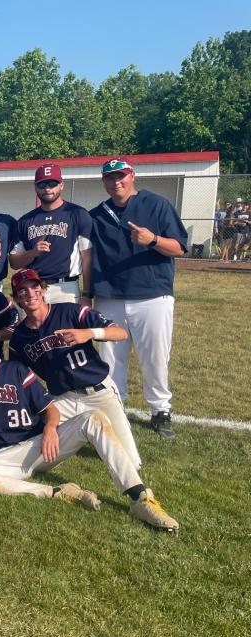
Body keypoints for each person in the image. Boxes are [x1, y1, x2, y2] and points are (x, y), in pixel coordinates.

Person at [0, 317, 179, 531]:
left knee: (93, 418)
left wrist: (50, 429)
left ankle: (139, 497)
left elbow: (49, 408)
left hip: (38, 447)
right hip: (5, 459)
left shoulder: (15, 370)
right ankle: (56, 492)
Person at [88, 159, 188, 439]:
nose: (115, 182)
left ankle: (160, 410)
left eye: (121, 176)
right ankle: (116, 408)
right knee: (110, 359)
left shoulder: (157, 205)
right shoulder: (97, 214)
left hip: (151, 295)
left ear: (132, 176)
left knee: (154, 357)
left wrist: (152, 239)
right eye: (109, 177)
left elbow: (179, 247)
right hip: (110, 296)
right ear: (104, 182)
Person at [8, 269, 141, 469]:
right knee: (31, 444)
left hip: (99, 393)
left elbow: (120, 333)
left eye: (35, 287)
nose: (30, 293)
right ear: (17, 298)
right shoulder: (19, 337)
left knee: (131, 462)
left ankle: (97, 435)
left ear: (43, 290)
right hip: (63, 399)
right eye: (22, 290)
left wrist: (89, 333)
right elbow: (18, 376)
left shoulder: (70, 311)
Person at [10, 163, 93, 304]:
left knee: (66, 326)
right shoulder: (25, 221)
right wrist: (32, 253)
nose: (47, 189)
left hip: (66, 288)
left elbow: (87, 258)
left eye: (52, 183)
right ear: (35, 187)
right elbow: (13, 262)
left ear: (61, 185)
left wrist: (87, 294)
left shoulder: (78, 214)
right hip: (34, 288)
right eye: (42, 185)